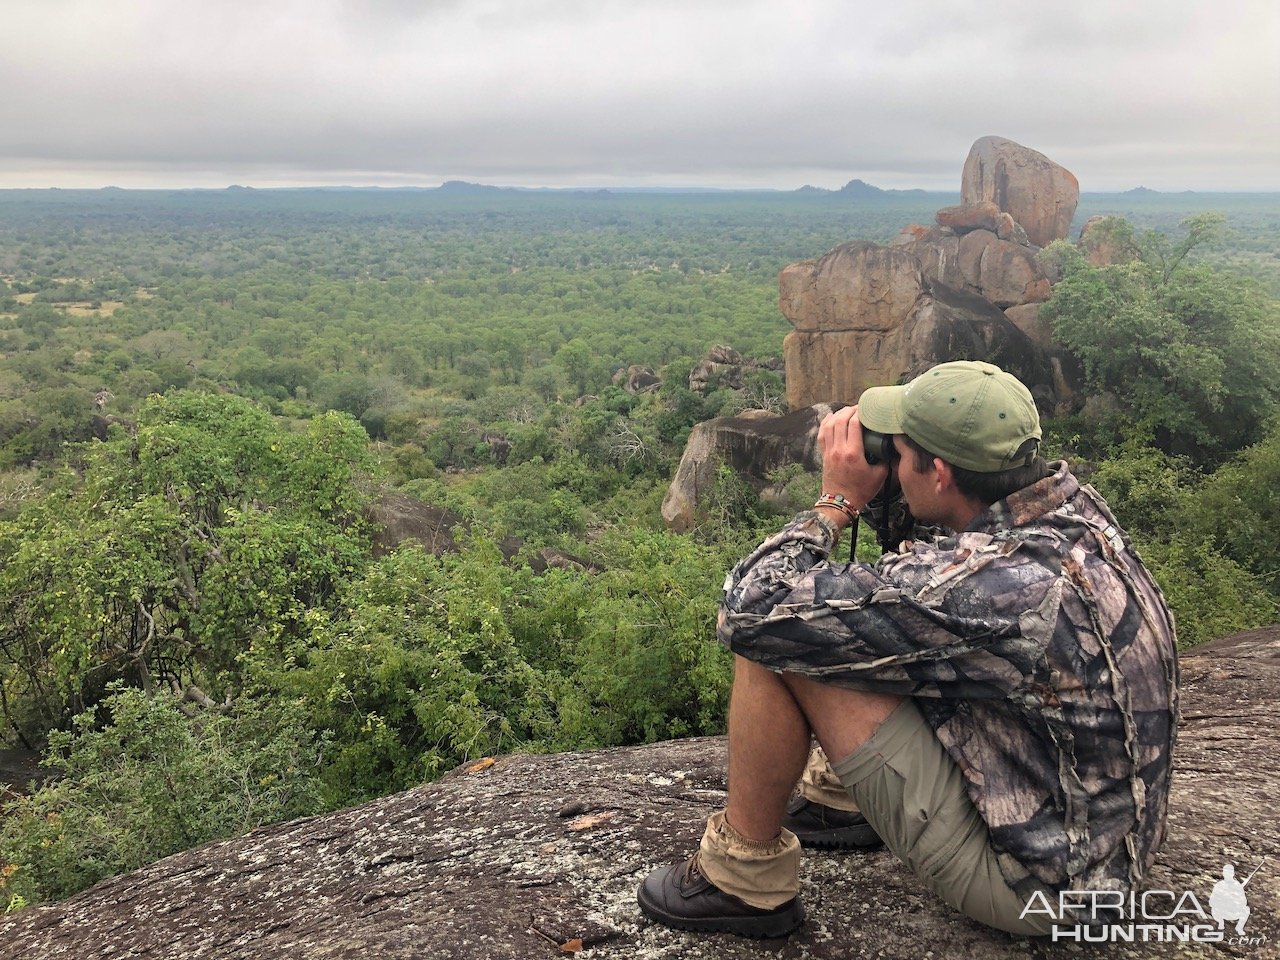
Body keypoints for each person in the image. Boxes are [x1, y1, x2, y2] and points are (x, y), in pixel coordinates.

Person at [636, 360, 1179, 938]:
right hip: (1098, 851)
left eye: (899, 450)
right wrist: (893, 484)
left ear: (940, 473)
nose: (887, 457)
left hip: (1046, 890)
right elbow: (923, 574)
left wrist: (836, 502)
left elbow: (750, 609)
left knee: (781, 639)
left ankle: (742, 883)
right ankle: (841, 803)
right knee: (872, 628)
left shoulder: (997, 588)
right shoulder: (1069, 514)